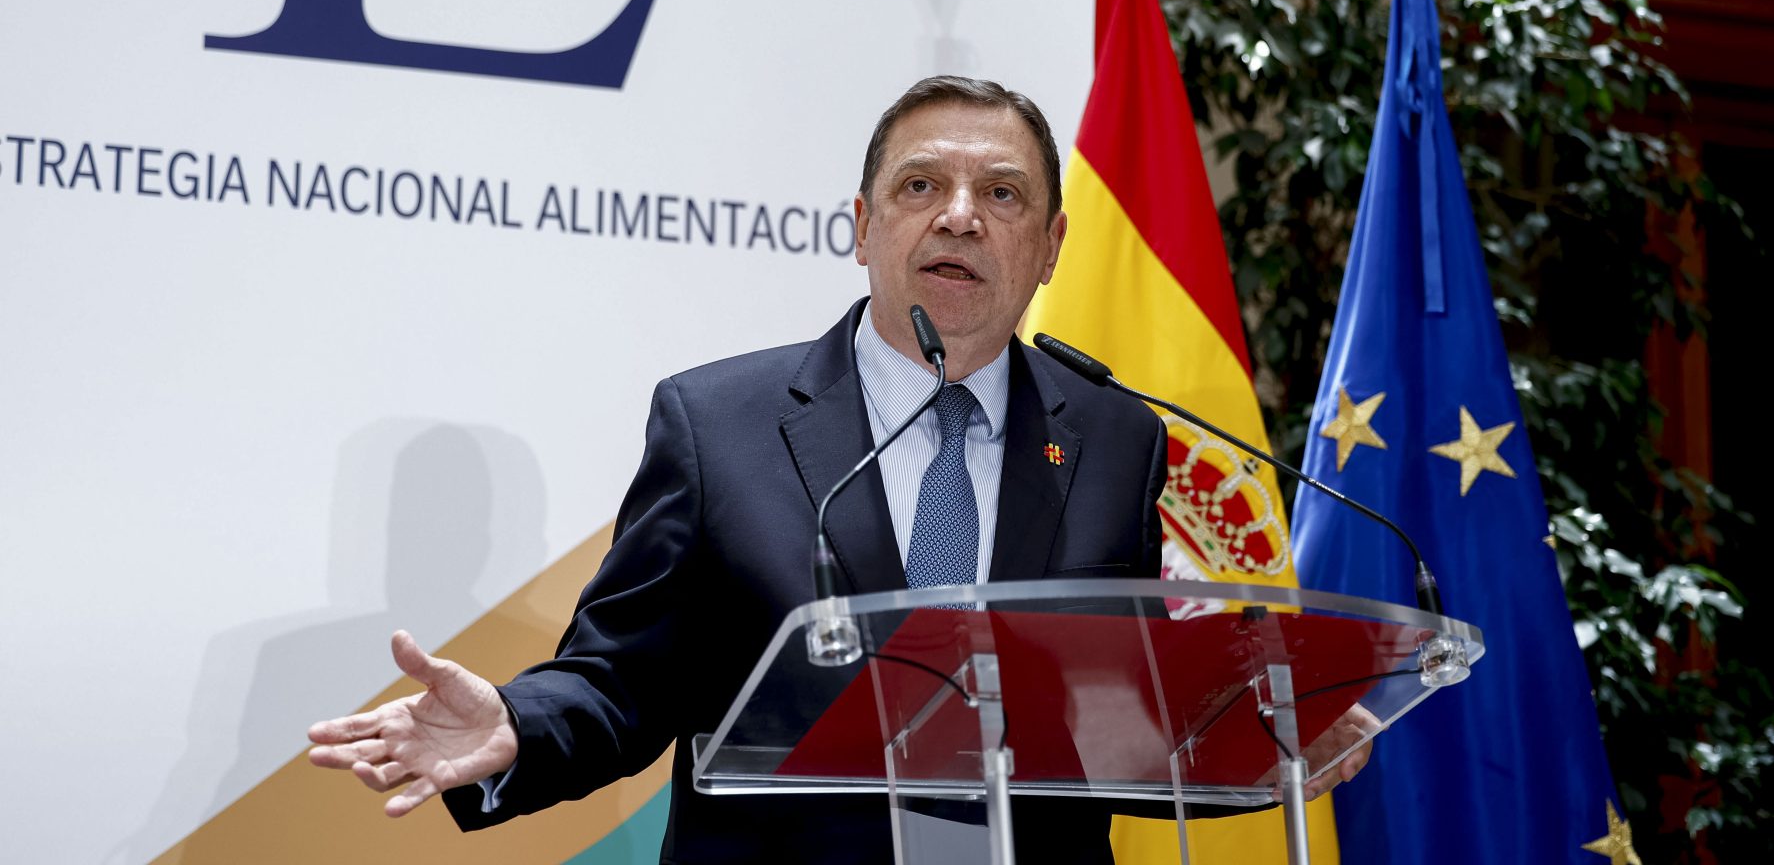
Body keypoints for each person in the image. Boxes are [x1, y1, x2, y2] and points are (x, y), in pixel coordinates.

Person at [308, 76, 1370, 862]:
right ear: (863, 227)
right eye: (922, 184)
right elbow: (622, 679)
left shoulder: (1115, 437)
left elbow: (1106, 720)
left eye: (1002, 194)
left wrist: (1256, 744)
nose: (961, 214)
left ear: (1050, 247)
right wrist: (514, 725)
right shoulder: (719, 425)